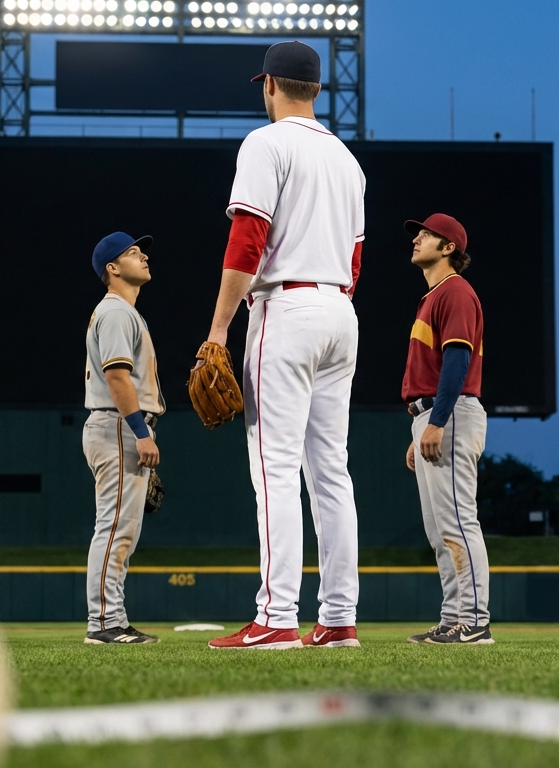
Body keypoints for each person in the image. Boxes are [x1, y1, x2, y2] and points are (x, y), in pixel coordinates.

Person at [204, 41, 366, 650]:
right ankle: (339, 618)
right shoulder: (348, 162)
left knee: (274, 466)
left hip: (286, 307)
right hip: (340, 312)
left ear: (269, 85)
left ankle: (274, 618)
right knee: (331, 470)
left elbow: (248, 239)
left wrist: (219, 328)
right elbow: (354, 261)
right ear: (317, 90)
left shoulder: (264, 144)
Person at [400, 214, 494, 645]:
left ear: (448, 247)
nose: (417, 237)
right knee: (440, 531)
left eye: (426, 234)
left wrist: (435, 421)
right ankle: (454, 617)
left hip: (450, 413)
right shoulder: (435, 295)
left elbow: (457, 360)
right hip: (435, 415)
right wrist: (420, 429)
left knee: (457, 523)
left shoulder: (455, 291)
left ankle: (475, 622)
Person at [82, 231, 164, 645]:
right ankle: (103, 624)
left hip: (119, 425)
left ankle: (113, 619)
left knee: (121, 530)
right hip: (119, 424)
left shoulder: (124, 312)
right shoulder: (115, 312)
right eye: (133, 252)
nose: (143, 255)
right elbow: (117, 377)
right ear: (112, 268)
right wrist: (140, 431)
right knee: (114, 528)